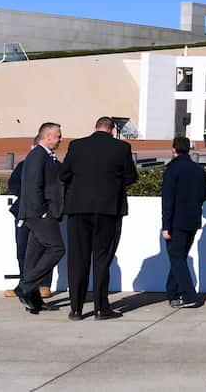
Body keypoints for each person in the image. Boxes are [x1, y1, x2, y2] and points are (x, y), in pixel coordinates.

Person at [59, 116, 138, 321]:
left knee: (78, 259)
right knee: (102, 259)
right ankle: (102, 308)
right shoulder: (122, 148)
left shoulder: (76, 145)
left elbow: (63, 174)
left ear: (94, 128)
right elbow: (131, 177)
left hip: (78, 209)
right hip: (108, 209)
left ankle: (76, 309)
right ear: (112, 130)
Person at [14, 122, 64, 314]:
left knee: (33, 257)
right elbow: (33, 185)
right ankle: (25, 286)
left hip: (40, 213)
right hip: (39, 214)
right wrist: (42, 211)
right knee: (57, 248)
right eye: (58, 136)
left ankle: (33, 300)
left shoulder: (44, 156)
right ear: (48, 136)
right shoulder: (38, 155)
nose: (60, 139)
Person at [161, 135, 206, 309]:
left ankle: (189, 295)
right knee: (179, 257)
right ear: (189, 149)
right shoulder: (198, 169)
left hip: (176, 222)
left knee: (176, 258)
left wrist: (165, 225)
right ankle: (172, 292)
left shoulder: (171, 170)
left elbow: (167, 201)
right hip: (193, 220)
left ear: (174, 149)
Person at [5, 140, 52, 300]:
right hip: (23, 213)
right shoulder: (23, 166)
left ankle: (44, 285)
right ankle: (24, 285)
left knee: (46, 250)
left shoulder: (52, 165)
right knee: (22, 250)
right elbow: (13, 185)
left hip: (43, 214)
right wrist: (29, 195)